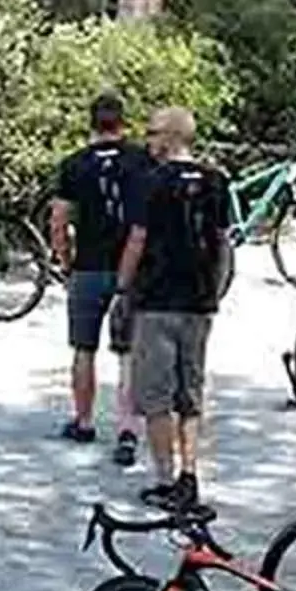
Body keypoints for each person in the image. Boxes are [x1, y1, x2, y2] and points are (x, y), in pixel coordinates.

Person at [114, 104, 232, 509]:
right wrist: (214, 291)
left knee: (156, 395)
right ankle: (190, 473)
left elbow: (137, 240)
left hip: (157, 300)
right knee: (191, 392)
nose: (147, 141)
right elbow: (222, 243)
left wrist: (122, 286)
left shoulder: (151, 182)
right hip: (199, 302)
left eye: (152, 133)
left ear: (169, 137)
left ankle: (165, 478)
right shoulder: (217, 181)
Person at [48, 91, 146, 460]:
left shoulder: (74, 164)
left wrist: (65, 260)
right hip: (130, 269)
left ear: (91, 123)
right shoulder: (141, 160)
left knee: (83, 348)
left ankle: (85, 421)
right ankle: (127, 431)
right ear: (123, 122)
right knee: (128, 354)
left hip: (88, 267)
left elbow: (59, 220)